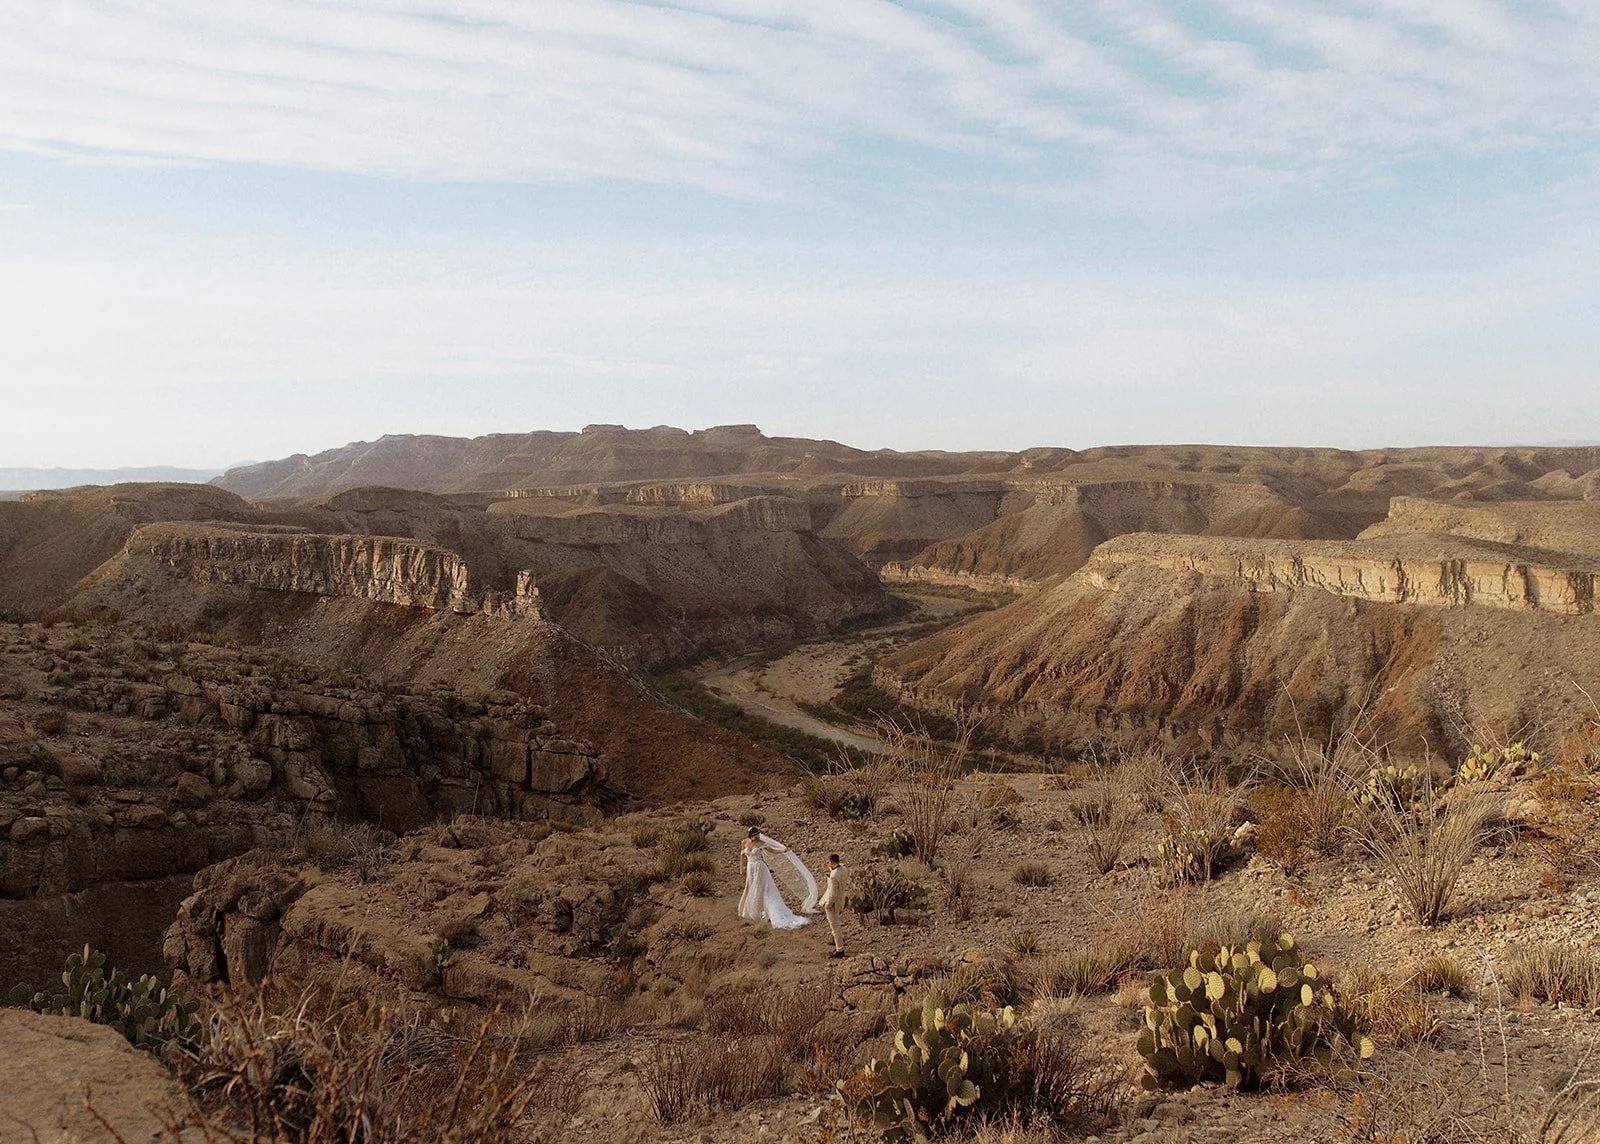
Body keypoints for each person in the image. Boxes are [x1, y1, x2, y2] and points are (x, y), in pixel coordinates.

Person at [738, 827, 815, 930]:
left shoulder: (761, 843)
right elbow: (742, 855)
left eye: (757, 835)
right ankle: (751, 910)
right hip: (750, 868)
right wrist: (741, 868)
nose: (756, 837)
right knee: (750, 887)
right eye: (754, 835)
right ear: (750, 835)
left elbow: (773, 851)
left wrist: (783, 851)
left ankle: (765, 910)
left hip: (760, 868)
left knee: (761, 888)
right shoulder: (744, 842)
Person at [818, 853, 848, 958]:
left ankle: (840, 949)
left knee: (835, 926)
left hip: (833, 903)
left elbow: (832, 894)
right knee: (836, 923)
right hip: (841, 900)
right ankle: (835, 940)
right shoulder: (843, 869)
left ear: (831, 862)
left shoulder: (834, 876)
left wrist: (827, 905)